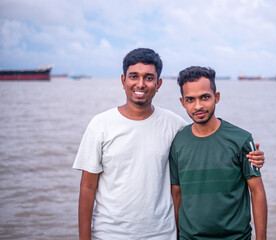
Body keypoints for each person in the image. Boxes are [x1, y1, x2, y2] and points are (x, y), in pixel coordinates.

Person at [73, 48, 265, 240]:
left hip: (162, 234)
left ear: (159, 84)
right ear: (123, 80)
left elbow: (207, 137)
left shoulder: (174, 125)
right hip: (109, 234)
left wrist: (252, 156)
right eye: (134, 76)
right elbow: (87, 188)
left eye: (149, 78)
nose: (141, 84)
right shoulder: (100, 125)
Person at [170, 66, 267, 240]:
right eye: (190, 99)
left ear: (217, 97)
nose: (198, 106)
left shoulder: (242, 139)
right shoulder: (178, 142)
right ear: (182, 102)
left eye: (205, 97)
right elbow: (176, 194)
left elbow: (257, 192)